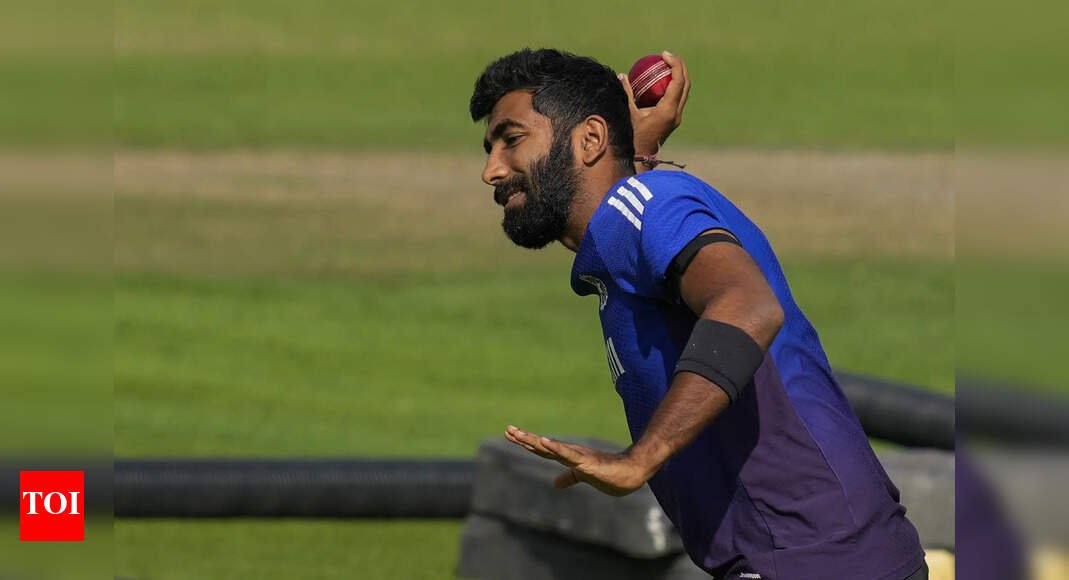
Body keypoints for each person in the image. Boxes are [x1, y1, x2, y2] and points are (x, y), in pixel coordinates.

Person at [469, 48, 928, 580]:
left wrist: (640, 459)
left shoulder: (645, 206)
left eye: (511, 139)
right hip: (827, 555)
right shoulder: (630, 217)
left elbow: (748, 305)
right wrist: (634, 150)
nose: (491, 170)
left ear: (591, 139)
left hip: (811, 559)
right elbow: (631, 210)